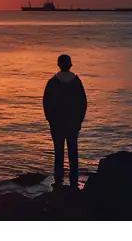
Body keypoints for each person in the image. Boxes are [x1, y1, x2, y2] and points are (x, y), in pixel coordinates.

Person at [43, 54, 87, 189]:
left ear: (58, 65)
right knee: (73, 153)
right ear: (70, 65)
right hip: (72, 123)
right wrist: (79, 121)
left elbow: (46, 103)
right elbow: (83, 103)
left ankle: (58, 181)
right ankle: (74, 182)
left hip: (57, 124)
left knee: (58, 153)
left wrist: (50, 120)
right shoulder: (76, 82)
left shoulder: (52, 82)